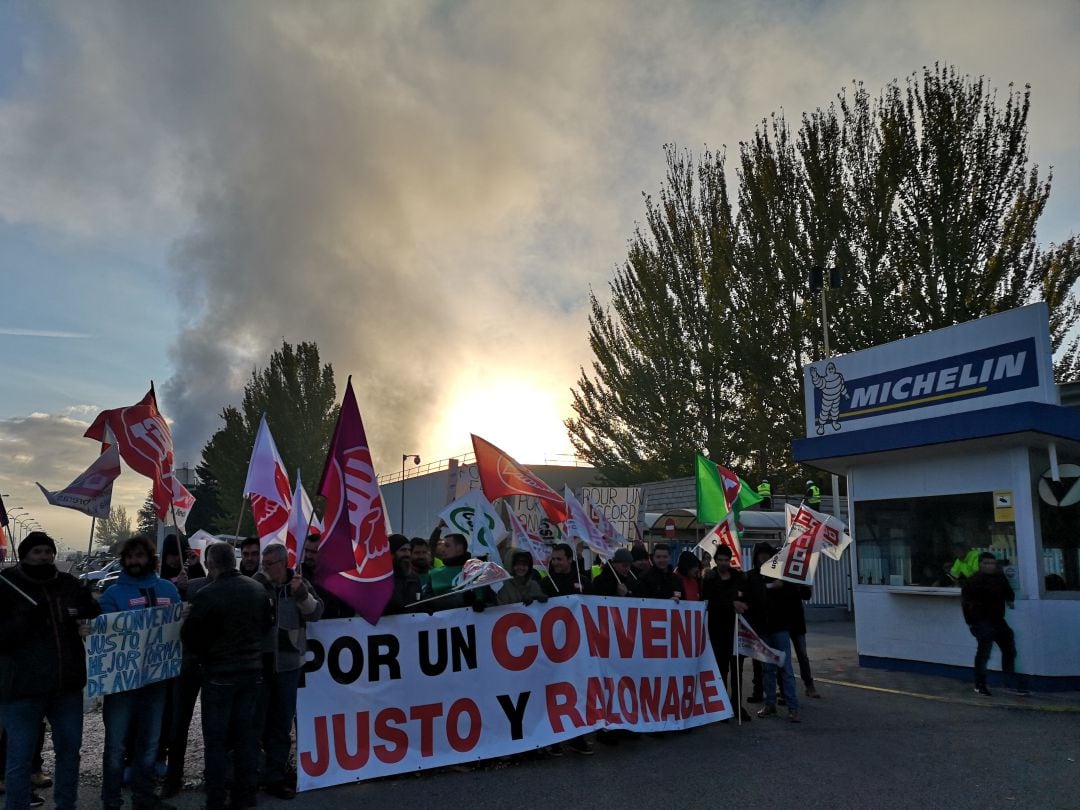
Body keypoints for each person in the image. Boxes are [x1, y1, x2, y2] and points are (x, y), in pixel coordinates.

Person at [0, 532, 100, 810]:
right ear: (25, 555)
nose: (44, 556)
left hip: (65, 687)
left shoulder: (66, 584)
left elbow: (92, 611)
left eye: (48, 551)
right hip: (22, 688)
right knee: (19, 758)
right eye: (37, 552)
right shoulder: (7, 586)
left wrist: (85, 603)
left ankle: (66, 804)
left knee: (69, 754)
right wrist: (24, 619)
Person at [182, 542, 274, 810]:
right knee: (246, 738)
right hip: (251, 673)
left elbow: (190, 637)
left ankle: (216, 798)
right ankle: (245, 796)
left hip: (219, 675)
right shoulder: (257, 589)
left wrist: (204, 649)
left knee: (216, 741)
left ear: (211, 564)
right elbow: (267, 625)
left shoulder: (207, 594)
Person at [97, 536, 181, 810]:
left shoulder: (169, 589)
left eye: (139, 556)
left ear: (150, 559)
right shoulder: (112, 594)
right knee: (116, 745)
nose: (134, 561)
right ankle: (111, 801)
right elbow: (105, 633)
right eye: (129, 557)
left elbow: (180, 629)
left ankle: (143, 797)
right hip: (121, 684)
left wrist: (184, 616)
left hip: (156, 681)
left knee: (150, 742)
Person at [254, 542, 324, 799]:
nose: (265, 568)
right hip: (260, 663)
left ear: (283, 564)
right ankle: (253, 775)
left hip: (288, 665)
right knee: (256, 721)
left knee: (282, 723)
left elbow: (316, 612)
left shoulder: (298, 585)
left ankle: (275, 776)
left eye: (269, 564)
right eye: (264, 563)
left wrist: (301, 595)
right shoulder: (257, 586)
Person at [746, 542, 805, 723]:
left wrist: (785, 585)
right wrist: (771, 587)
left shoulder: (782, 574)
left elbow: (798, 594)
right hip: (762, 629)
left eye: (766, 554)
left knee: (785, 668)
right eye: (760, 554)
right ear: (755, 557)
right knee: (767, 669)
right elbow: (751, 595)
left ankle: (792, 707)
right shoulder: (752, 577)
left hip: (780, 627)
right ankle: (770, 704)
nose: (763, 557)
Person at [962, 553, 1026, 696]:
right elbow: (966, 605)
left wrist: (1010, 600)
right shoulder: (973, 581)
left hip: (997, 619)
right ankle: (980, 684)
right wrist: (972, 623)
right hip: (981, 621)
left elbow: (1008, 592)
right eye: (986, 563)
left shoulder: (999, 578)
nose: (990, 566)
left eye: (992, 563)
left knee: (1009, 649)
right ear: (980, 564)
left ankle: (1008, 682)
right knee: (984, 653)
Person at [701, 545, 751, 722]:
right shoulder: (710, 578)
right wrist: (732, 603)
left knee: (737, 669)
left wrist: (742, 604)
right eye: (720, 560)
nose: (723, 563)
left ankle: (737, 705)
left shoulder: (738, 577)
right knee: (721, 669)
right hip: (717, 630)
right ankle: (721, 706)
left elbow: (747, 597)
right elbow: (710, 601)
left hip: (736, 630)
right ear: (715, 560)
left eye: (726, 560)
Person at [299, 532, 353, 619]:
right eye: (306, 550)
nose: (308, 555)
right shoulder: (298, 573)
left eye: (314, 552)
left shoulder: (337, 576)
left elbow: (347, 609)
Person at [385, 535, 422, 615]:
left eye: (409, 550)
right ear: (391, 553)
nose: (407, 554)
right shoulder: (380, 578)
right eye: (403, 550)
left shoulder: (414, 578)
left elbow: (419, 603)